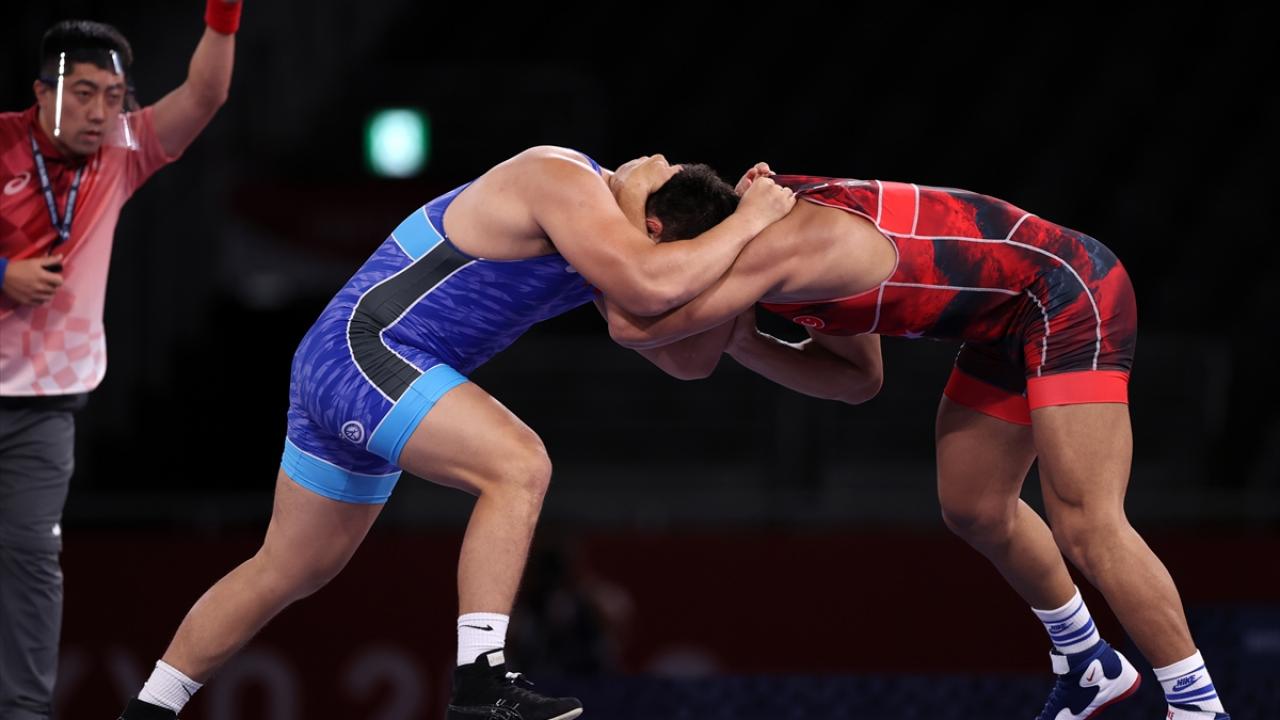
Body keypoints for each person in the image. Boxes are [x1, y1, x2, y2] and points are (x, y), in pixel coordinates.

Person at [116, 149, 795, 720]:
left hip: (361, 363)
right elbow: (651, 286)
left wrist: (743, 255)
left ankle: (146, 711)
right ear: (652, 226)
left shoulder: (609, 244)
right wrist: (752, 221)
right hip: (365, 350)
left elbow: (685, 357)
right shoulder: (559, 179)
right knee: (518, 464)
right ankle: (480, 682)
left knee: (292, 566)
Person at [606, 166, 1230, 720]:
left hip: (1068, 290)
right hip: (1003, 320)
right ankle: (1087, 662)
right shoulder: (759, 233)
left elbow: (640, 321)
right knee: (974, 507)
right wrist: (746, 341)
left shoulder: (773, 249)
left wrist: (627, 201)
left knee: (1088, 523)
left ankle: (1197, 704)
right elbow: (858, 379)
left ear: (659, 234)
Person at [0, 4, 240, 718]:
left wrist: (224, 15)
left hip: (45, 410)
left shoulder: (122, 149)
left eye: (112, 96)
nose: (100, 112)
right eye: (83, 94)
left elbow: (205, 95)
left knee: (32, 566)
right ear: (42, 92)